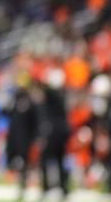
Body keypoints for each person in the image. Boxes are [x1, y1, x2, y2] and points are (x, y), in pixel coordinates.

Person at [36, 69, 70, 198]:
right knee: (60, 161)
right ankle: (63, 188)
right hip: (62, 133)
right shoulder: (62, 94)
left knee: (45, 160)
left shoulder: (53, 95)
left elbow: (44, 87)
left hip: (54, 134)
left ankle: (46, 188)